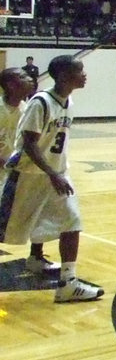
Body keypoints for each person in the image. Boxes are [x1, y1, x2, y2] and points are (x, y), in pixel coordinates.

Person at [0, 55, 103, 302]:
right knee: (5, 228)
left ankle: (68, 282)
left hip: (53, 174)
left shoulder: (67, 102)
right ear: (65, 76)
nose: (84, 74)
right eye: (80, 70)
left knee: (72, 221)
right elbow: (30, 145)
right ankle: (44, 264)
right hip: (27, 175)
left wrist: (58, 172)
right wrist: (52, 173)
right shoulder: (40, 103)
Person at [0, 67, 59, 277]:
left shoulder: (26, 107)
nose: (30, 79)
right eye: (23, 77)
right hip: (5, 170)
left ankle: (36, 256)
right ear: (10, 85)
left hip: (14, 171)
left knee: (38, 209)